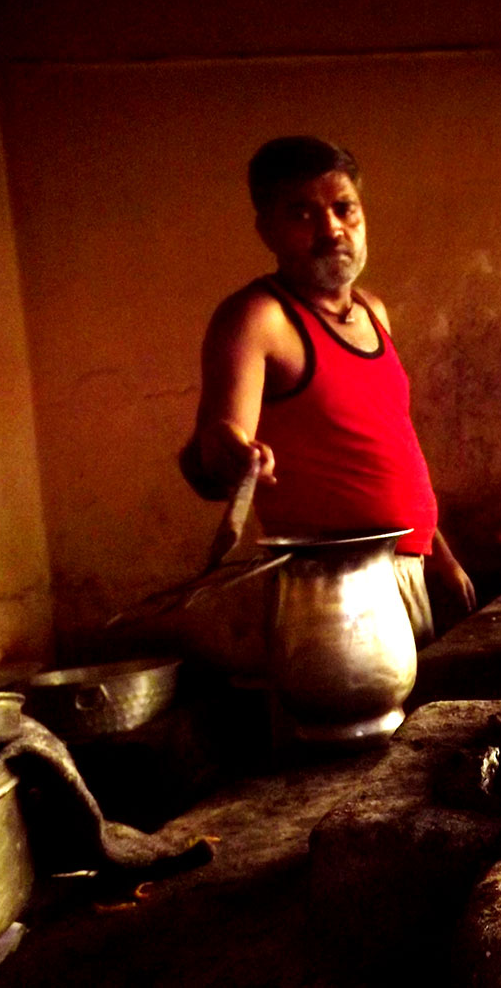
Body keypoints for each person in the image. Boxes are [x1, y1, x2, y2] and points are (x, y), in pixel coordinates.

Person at [179, 136, 475, 647]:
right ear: (267, 229)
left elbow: (394, 447)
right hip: (333, 596)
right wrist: (226, 451)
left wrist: (440, 556)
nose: (331, 229)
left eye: (344, 208)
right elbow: (216, 451)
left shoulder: (374, 312)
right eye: (302, 214)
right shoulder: (259, 318)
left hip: (411, 570)